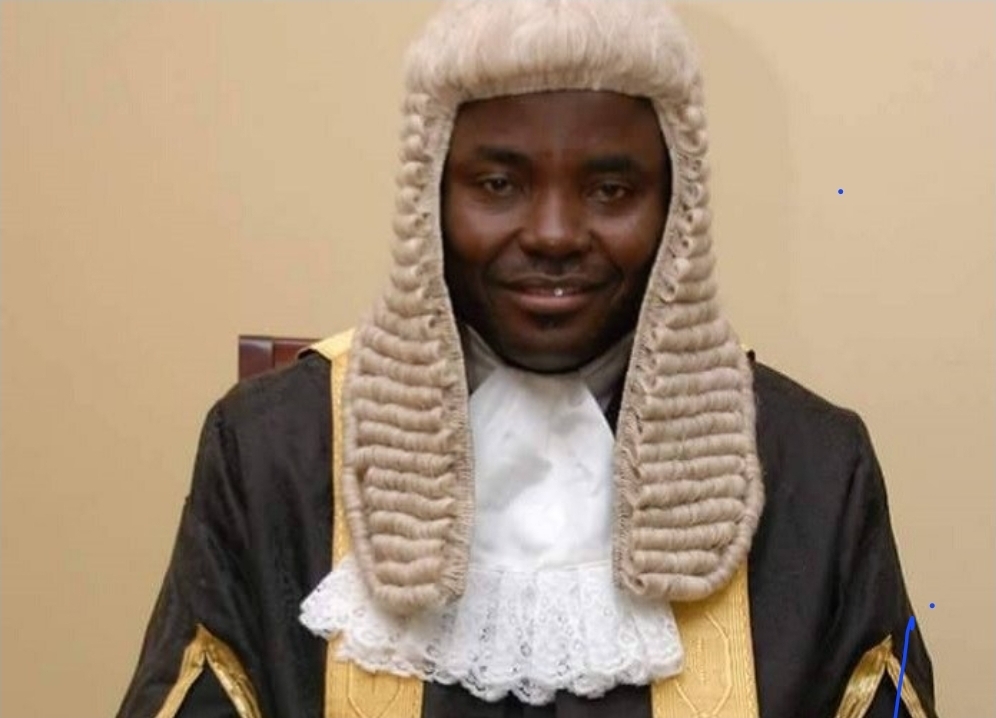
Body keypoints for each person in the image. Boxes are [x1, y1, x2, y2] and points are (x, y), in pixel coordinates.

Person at [116, 1, 939, 717]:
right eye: (498, 184)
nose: (553, 234)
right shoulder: (272, 453)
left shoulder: (813, 469)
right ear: (430, 197)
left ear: (676, 206)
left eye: (611, 190)